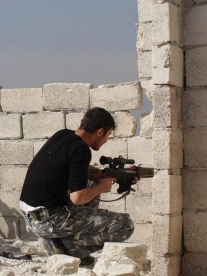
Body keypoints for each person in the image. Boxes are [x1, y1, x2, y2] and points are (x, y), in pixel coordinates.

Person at [19, 107, 134, 264]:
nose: (106, 140)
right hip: (48, 220)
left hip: (32, 216)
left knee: (91, 181)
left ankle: (60, 242)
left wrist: (109, 174)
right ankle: (67, 248)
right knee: (125, 225)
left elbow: (74, 168)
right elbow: (78, 198)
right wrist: (103, 187)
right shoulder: (81, 150)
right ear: (99, 132)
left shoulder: (63, 135)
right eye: (107, 135)